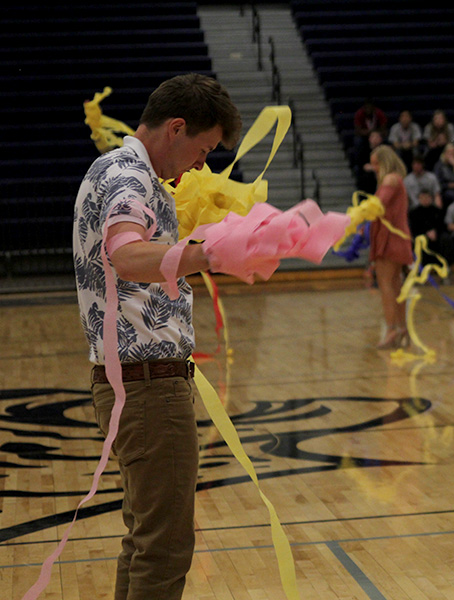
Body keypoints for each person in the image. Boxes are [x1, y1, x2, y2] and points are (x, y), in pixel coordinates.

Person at [72, 73, 243, 600]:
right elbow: (126, 256)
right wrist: (205, 254)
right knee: (165, 546)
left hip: (130, 382)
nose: (201, 164)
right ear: (175, 128)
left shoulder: (115, 170)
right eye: (203, 148)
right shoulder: (131, 177)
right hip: (148, 387)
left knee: (146, 541)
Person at [367, 145, 414, 349]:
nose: (374, 167)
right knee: (396, 285)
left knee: (386, 285)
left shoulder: (390, 179)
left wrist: (358, 216)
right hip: (398, 236)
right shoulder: (398, 179)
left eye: (376, 163)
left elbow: (377, 205)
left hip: (389, 239)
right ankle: (402, 328)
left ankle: (392, 330)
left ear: (384, 162)